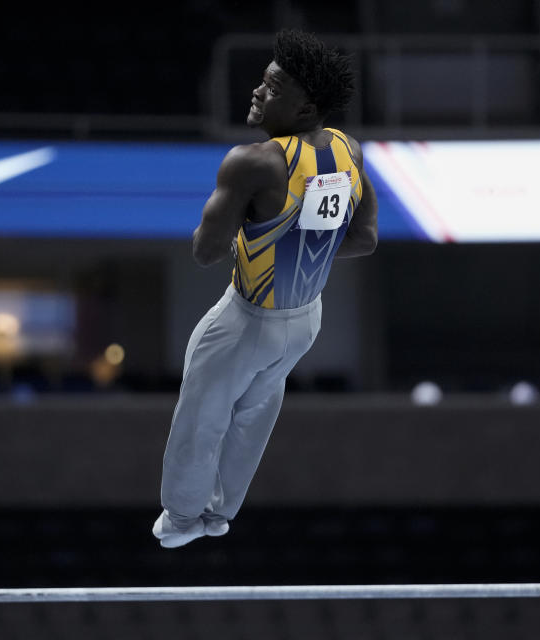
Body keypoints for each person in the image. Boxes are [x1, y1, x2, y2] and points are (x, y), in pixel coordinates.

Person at [153, 29, 379, 548]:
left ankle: (184, 519)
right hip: (305, 320)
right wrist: (292, 244)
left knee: (202, 415)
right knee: (255, 412)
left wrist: (249, 239)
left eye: (274, 88)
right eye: (263, 80)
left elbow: (204, 252)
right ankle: (221, 512)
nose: (258, 91)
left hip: (247, 319)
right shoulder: (348, 150)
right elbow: (363, 239)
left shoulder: (254, 162)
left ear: (307, 108)